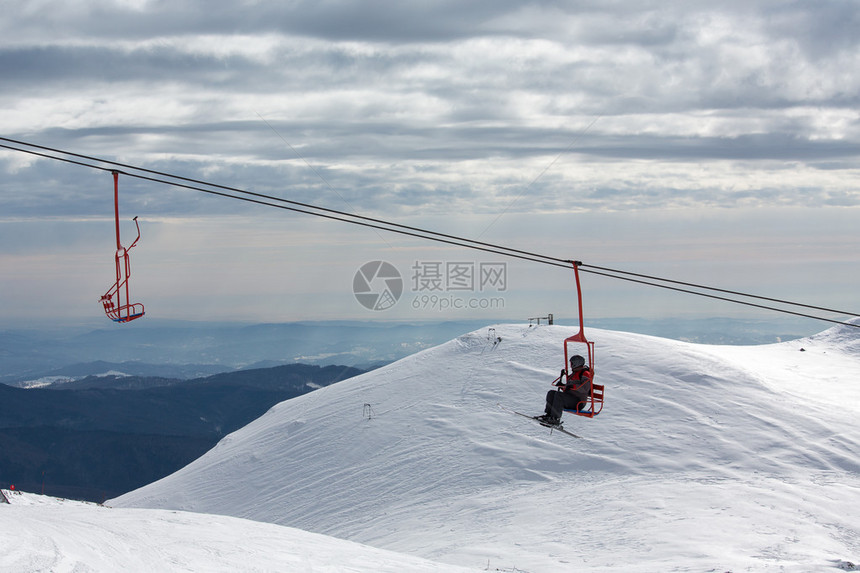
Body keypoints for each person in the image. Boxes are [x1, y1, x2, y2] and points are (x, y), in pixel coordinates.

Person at [537, 355, 593, 426]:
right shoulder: (574, 373)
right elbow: (569, 388)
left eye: (572, 363)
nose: (571, 365)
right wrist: (562, 385)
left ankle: (555, 419)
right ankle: (549, 415)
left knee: (559, 396)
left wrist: (572, 386)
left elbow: (585, 388)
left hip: (578, 401)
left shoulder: (585, 374)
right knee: (551, 393)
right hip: (570, 398)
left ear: (577, 363)